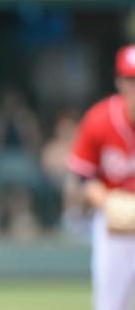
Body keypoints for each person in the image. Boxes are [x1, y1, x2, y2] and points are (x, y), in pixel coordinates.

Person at [68, 44, 135, 310]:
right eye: (131, 79)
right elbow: (84, 176)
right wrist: (109, 203)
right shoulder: (99, 119)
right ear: (119, 81)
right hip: (115, 227)